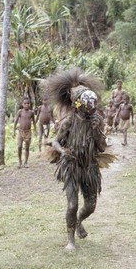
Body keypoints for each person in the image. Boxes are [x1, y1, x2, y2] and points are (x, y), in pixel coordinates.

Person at [45, 67, 113, 251]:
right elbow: (55, 142)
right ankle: (70, 240)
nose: (91, 106)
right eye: (87, 103)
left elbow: (102, 147)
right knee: (72, 204)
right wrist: (63, 151)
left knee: (90, 206)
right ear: (78, 104)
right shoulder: (68, 121)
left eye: (92, 103)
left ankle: (79, 221)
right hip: (71, 167)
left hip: (89, 167)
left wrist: (97, 130)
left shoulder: (96, 120)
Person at [12, 97, 37, 168]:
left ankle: (26, 162)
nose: (26, 105)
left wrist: (35, 130)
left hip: (28, 132)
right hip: (21, 131)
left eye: (28, 103)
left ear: (30, 104)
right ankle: (20, 161)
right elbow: (15, 122)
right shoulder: (20, 111)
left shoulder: (31, 112)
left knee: (27, 147)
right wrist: (13, 131)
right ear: (22, 104)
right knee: (19, 146)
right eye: (25, 103)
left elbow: (34, 122)